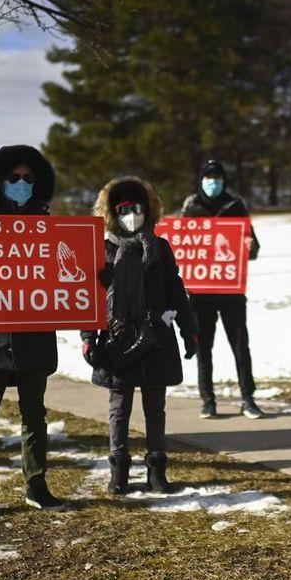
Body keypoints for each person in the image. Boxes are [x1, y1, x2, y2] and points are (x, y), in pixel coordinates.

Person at [0, 145, 65, 520]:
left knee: (34, 416)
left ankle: (36, 485)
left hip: (34, 336)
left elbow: (69, 275)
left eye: (28, 179)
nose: (22, 184)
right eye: (14, 178)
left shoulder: (50, 225)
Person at [80, 177, 198, 494]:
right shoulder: (102, 248)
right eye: (124, 210)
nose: (131, 215)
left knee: (155, 408)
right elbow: (90, 295)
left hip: (156, 336)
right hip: (116, 339)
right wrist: (88, 335)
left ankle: (156, 470)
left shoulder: (159, 247)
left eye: (137, 209)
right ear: (112, 215)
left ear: (147, 211)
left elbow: (175, 288)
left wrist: (190, 329)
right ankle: (118, 470)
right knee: (119, 409)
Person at [179, 160, 263, 419]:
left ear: (224, 180)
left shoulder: (235, 206)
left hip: (231, 290)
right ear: (201, 180)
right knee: (203, 348)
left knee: (240, 346)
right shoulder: (191, 208)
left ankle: (248, 399)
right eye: (208, 177)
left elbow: (254, 247)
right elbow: (182, 247)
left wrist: (249, 245)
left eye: (217, 177)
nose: (212, 182)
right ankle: (208, 400)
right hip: (201, 293)